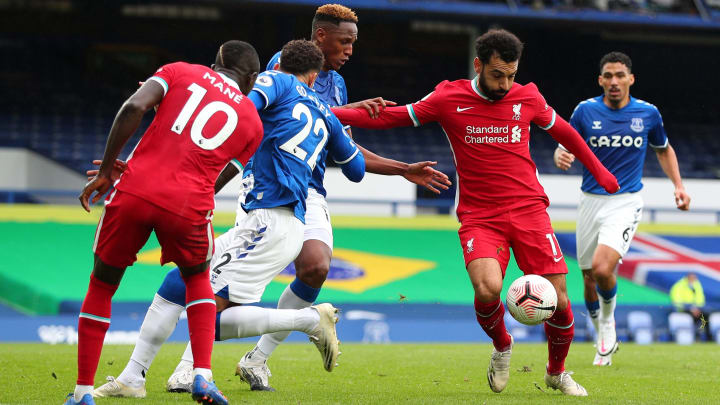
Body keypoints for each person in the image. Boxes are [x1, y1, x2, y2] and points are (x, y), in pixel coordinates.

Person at [332, 29, 621, 396]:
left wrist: (600, 172)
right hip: (480, 215)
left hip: (529, 209)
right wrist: (330, 112)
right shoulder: (448, 97)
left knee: (561, 301)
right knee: (488, 290)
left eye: (511, 75)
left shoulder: (527, 96)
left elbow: (568, 134)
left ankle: (556, 372)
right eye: (498, 74)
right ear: (478, 64)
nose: (504, 83)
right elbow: (391, 118)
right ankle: (502, 346)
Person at [92, 39, 365, 399]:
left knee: (206, 315)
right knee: (180, 288)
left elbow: (238, 107)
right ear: (315, 76)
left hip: (269, 218)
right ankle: (133, 377)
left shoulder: (276, 81)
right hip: (286, 223)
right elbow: (357, 170)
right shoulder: (327, 114)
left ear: (279, 65)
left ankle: (309, 320)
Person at [234, 3, 451, 391]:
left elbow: (343, 148)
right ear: (321, 37)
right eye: (345, 41)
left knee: (316, 267)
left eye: (354, 42)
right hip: (269, 185)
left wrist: (404, 169)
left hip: (311, 189)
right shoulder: (284, 64)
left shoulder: (336, 85)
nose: (351, 49)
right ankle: (189, 367)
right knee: (234, 287)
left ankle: (256, 359)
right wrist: (346, 112)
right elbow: (293, 109)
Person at [65, 40, 264, 405]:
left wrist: (109, 170)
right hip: (189, 205)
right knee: (198, 278)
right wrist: (187, 194)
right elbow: (220, 176)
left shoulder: (180, 71)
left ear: (216, 61)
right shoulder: (253, 122)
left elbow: (133, 106)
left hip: (136, 190)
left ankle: (81, 393)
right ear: (252, 77)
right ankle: (202, 374)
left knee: (103, 284)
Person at [552, 51, 691, 365]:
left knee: (603, 268)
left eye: (620, 76)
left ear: (631, 79)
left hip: (626, 201)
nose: (614, 82)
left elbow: (664, 149)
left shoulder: (648, 114)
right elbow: (565, 143)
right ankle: (596, 324)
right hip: (590, 200)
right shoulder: (585, 111)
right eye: (608, 76)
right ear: (600, 80)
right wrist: (559, 155)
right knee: (588, 277)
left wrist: (679, 186)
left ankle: (608, 322)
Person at [670, 272, 707, 339]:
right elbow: (676, 301)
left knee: (706, 316)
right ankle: (695, 336)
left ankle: (706, 336)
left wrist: (697, 308)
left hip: (696, 309)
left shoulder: (697, 285)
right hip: (682, 309)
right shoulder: (679, 286)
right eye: (692, 278)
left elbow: (700, 298)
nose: (694, 280)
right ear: (687, 278)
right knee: (693, 317)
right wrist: (690, 308)